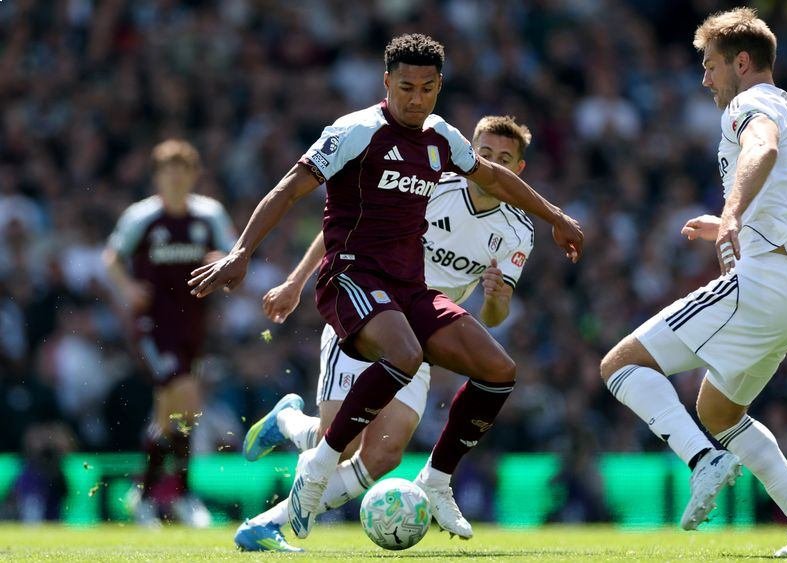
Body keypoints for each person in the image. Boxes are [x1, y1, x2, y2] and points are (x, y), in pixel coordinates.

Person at [188, 34, 583, 542]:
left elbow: (495, 179)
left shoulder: (442, 140)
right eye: (405, 87)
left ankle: (424, 481)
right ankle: (315, 467)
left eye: (427, 88)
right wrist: (247, 253)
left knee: (487, 379)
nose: (416, 100)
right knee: (372, 399)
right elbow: (289, 188)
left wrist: (555, 217)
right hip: (353, 279)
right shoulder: (355, 131)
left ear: (439, 87)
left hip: (408, 293)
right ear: (386, 82)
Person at [599, 7, 787, 556]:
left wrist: (732, 213)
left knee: (620, 366)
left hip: (763, 282)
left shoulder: (749, 104)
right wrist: (735, 222)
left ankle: (703, 461)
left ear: (742, 62)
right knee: (718, 412)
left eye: (710, 65)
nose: (705, 79)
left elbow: (762, 149)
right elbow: (781, 179)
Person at [233, 115, 536, 552]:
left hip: (422, 332)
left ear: (518, 169)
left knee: (383, 455)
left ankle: (265, 524)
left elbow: (493, 316)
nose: (492, 164)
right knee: (337, 441)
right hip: (368, 308)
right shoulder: (434, 185)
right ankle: (288, 421)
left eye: (504, 160)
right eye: (484, 153)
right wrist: (296, 282)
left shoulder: (518, 229)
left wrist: (495, 298)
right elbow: (348, 228)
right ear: (471, 153)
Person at [104, 139, 235, 527]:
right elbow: (112, 257)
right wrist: (128, 288)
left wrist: (221, 262)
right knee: (186, 398)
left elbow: (231, 255)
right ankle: (184, 495)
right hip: (153, 327)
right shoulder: (142, 217)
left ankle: (145, 494)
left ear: (194, 175)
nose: (175, 177)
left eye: (182, 169)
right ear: (157, 176)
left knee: (173, 415)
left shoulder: (209, 214)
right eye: (168, 170)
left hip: (192, 326)